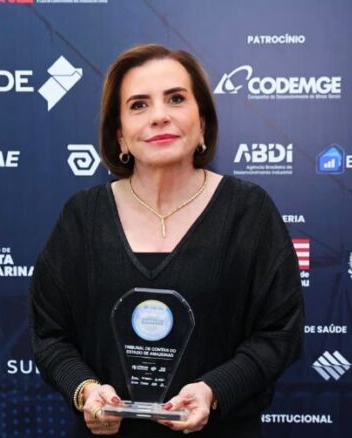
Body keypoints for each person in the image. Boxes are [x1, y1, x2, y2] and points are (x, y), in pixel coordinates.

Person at [30, 44, 304, 437]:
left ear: (202, 123)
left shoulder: (250, 212)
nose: (159, 116)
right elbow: (50, 335)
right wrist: (85, 390)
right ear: (120, 135)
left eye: (175, 99)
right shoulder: (82, 217)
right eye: (139, 105)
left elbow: (280, 333)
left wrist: (213, 391)